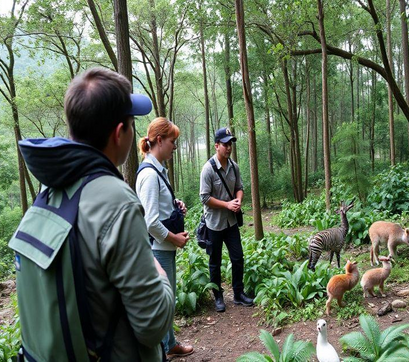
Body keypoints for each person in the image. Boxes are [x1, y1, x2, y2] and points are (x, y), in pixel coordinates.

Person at [14, 68, 174, 360]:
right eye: (131, 123)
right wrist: (161, 275)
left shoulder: (50, 192)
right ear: (118, 133)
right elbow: (152, 326)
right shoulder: (117, 202)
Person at [136, 117, 194, 359]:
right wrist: (173, 238)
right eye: (173, 142)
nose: (174, 147)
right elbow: (149, 222)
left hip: (164, 247)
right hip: (159, 249)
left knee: (166, 299)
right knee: (163, 301)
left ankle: (169, 345)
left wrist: (174, 203)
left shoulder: (158, 170)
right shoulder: (150, 175)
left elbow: (156, 208)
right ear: (159, 140)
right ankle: (161, 351)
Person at [199, 127, 254, 312]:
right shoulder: (208, 169)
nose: (228, 147)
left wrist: (238, 199)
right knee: (215, 261)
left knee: (237, 257)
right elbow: (205, 198)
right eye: (225, 144)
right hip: (214, 224)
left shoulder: (234, 166)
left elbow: (240, 187)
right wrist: (226, 204)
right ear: (216, 146)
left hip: (231, 222)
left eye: (230, 144)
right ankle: (218, 297)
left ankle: (238, 293)